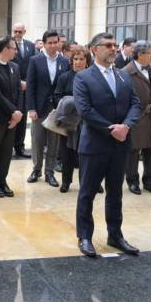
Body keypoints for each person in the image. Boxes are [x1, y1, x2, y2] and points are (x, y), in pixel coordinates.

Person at [74, 32, 141, 258]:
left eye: (115, 45)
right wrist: (112, 129)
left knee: (116, 193)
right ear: (94, 50)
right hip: (95, 145)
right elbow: (85, 110)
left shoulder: (123, 76)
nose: (114, 49)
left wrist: (126, 127)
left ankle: (116, 235)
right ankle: (84, 236)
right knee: (87, 193)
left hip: (120, 145)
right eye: (108, 45)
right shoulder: (83, 77)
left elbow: (135, 103)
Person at [26, 30, 70, 187]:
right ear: (44, 44)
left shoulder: (64, 61)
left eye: (55, 42)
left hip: (57, 108)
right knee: (37, 139)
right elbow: (30, 86)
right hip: (40, 106)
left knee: (54, 141)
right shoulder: (35, 60)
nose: (53, 46)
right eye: (49, 43)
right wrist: (31, 108)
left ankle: (49, 172)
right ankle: (36, 169)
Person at [123, 41, 151, 196]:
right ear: (140, 54)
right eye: (150, 53)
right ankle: (133, 181)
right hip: (136, 117)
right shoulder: (126, 72)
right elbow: (123, 98)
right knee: (133, 151)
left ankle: (149, 181)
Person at [0, 37, 23, 198]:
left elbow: (19, 91)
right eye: (14, 48)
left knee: (7, 151)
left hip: (13, 117)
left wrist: (18, 113)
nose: (16, 51)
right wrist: (13, 111)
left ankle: (3, 180)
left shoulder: (15, 66)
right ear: (5, 49)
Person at [52, 45, 92, 193]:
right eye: (75, 59)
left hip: (87, 122)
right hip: (68, 121)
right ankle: (66, 182)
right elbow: (56, 97)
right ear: (71, 61)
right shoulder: (64, 77)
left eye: (82, 59)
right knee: (66, 153)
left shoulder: (93, 77)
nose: (78, 62)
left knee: (86, 155)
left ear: (87, 61)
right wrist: (72, 104)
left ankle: (87, 182)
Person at [11, 23, 35, 159]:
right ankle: (9, 147)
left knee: (23, 117)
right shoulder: (8, 44)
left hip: (27, 86)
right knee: (13, 115)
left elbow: (32, 65)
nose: (18, 34)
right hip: (12, 85)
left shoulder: (30, 45)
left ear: (24, 32)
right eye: (16, 31)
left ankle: (20, 147)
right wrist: (18, 81)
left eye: (20, 31)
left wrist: (27, 82)